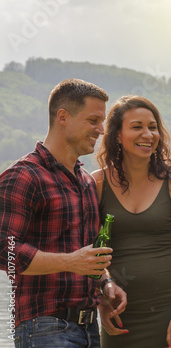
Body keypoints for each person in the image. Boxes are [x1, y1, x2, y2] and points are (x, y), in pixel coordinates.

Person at [0, 78, 126, 348]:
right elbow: (4, 250)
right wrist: (69, 262)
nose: (101, 130)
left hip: (89, 329)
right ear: (63, 117)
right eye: (93, 120)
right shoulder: (23, 175)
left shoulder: (86, 181)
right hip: (43, 327)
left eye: (102, 121)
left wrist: (105, 285)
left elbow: (87, 255)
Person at [92, 96, 171, 348]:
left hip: (169, 309)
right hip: (120, 313)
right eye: (137, 126)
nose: (148, 134)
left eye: (153, 127)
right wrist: (102, 301)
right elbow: (93, 253)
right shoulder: (96, 183)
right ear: (117, 135)